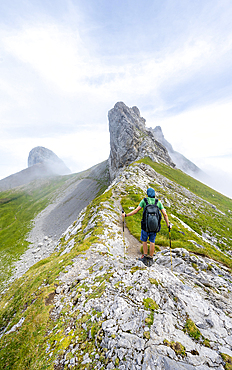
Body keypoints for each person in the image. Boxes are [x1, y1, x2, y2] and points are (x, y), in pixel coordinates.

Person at [122, 187, 172, 266]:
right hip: (154, 227)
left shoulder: (144, 201)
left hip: (145, 226)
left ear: (147, 194)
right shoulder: (158, 202)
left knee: (144, 241)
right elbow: (165, 214)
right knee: (152, 241)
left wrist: (126, 215)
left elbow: (136, 211)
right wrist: (168, 225)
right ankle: (151, 258)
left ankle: (145, 257)